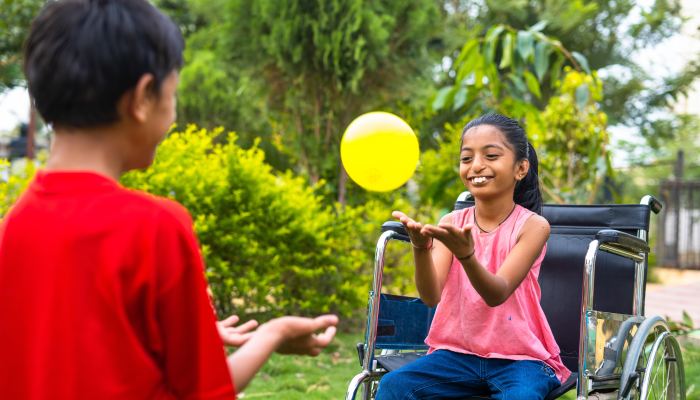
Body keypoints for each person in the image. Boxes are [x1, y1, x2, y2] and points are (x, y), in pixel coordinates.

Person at [0, 0, 337, 399]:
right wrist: (273, 332)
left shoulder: (15, 226)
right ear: (143, 97)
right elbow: (205, 391)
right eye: (173, 94)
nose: (173, 114)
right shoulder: (156, 227)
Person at [376, 114, 571, 399]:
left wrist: (467, 256)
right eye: (466, 158)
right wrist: (420, 248)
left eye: (491, 155)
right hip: (456, 354)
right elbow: (431, 297)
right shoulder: (451, 221)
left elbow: (497, 293)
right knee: (393, 386)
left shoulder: (532, 226)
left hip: (519, 359)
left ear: (520, 168)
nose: (476, 165)